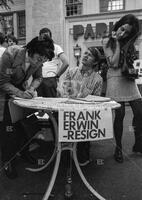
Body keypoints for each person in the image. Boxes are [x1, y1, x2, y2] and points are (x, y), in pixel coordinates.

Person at [0, 36, 54, 179]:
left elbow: (38, 78)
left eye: (44, 60)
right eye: (39, 58)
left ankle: (24, 152)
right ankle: (7, 161)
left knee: (27, 122)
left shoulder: (39, 59)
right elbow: (3, 81)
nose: (40, 62)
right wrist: (20, 93)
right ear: (31, 50)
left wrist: (31, 88)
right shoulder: (10, 54)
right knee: (8, 128)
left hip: (22, 93)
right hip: (4, 91)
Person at [102, 14, 142, 163]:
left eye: (127, 32)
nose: (123, 33)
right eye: (123, 29)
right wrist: (117, 42)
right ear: (119, 24)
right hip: (115, 79)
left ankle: (138, 143)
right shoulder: (108, 40)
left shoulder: (129, 42)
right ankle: (118, 148)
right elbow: (113, 62)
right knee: (119, 116)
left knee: (140, 112)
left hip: (128, 80)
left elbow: (130, 61)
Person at [59, 47, 103, 166]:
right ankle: (64, 153)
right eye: (85, 53)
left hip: (85, 115)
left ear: (95, 62)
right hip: (68, 111)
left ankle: (83, 151)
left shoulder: (98, 79)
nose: (85, 56)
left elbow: (96, 101)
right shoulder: (71, 71)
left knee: (83, 157)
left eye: (90, 55)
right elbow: (64, 92)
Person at [37, 27, 69, 97]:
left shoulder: (56, 47)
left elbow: (66, 63)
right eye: (43, 36)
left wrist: (57, 76)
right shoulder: (38, 49)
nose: (45, 38)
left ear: (50, 37)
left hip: (50, 79)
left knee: (50, 104)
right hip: (38, 80)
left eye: (47, 36)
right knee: (38, 105)